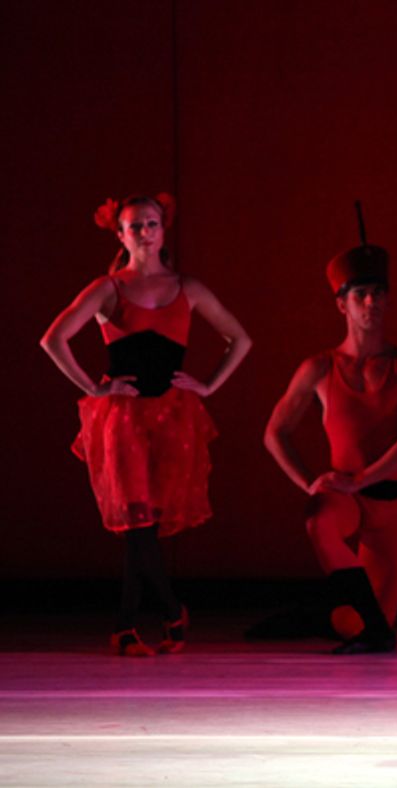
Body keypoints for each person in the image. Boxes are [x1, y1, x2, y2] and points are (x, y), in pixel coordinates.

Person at [40, 193, 251, 655]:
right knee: (138, 523)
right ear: (120, 235)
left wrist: (210, 385)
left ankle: (142, 621)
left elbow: (241, 338)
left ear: (162, 230)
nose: (143, 232)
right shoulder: (108, 288)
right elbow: (53, 338)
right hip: (124, 418)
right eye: (134, 226)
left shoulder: (187, 287)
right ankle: (150, 617)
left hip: (173, 416)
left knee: (147, 525)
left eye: (150, 224)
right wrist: (94, 389)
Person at [261, 211, 397, 653]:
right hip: (346, 497)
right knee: (319, 517)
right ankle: (379, 633)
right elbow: (275, 432)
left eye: (379, 293)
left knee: (349, 623)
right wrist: (310, 482)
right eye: (361, 295)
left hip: (391, 504)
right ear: (342, 303)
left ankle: (321, 618)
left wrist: (364, 478)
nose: (371, 303)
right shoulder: (319, 367)